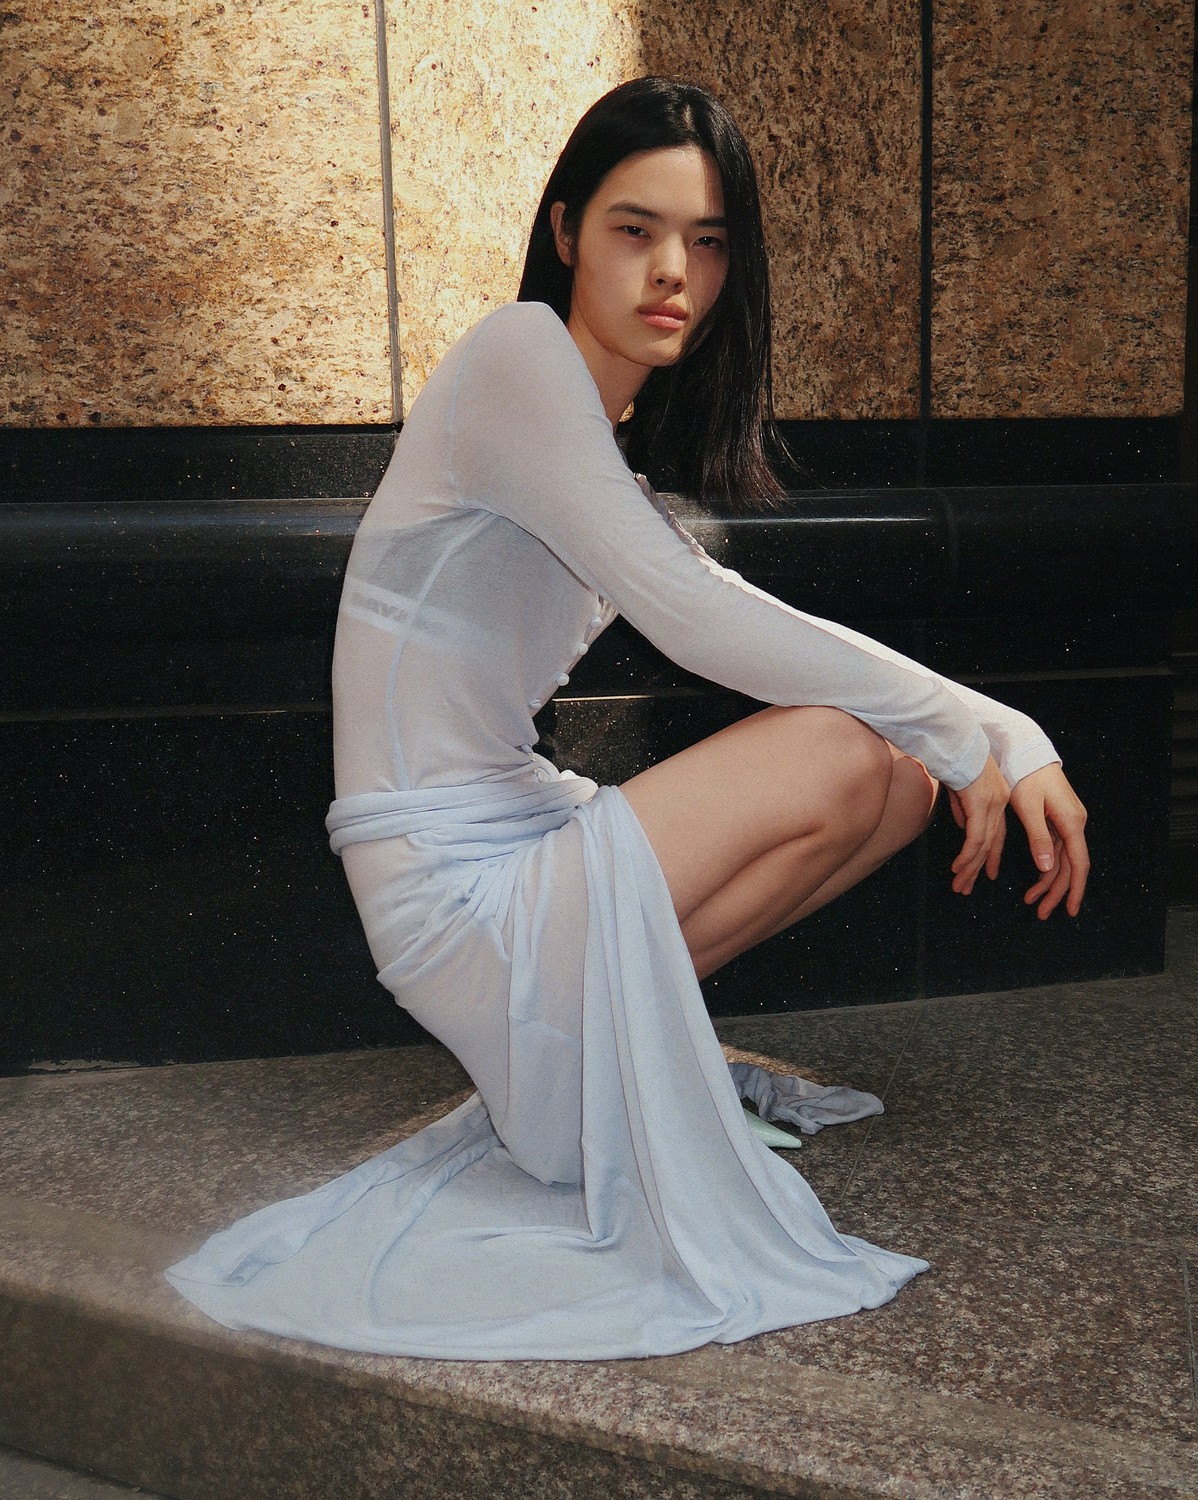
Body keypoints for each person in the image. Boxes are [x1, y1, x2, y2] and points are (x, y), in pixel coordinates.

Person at [166, 78, 1088, 1359]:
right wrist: (994, 729)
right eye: (634, 229)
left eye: (707, 243)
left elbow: (718, 600)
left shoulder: (603, 450)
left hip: (514, 832)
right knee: (846, 747)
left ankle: (597, 1070)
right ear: (563, 232)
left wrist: (963, 739)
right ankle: (582, 1078)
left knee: (895, 783)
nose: (673, 273)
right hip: (445, 873)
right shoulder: (514, 358)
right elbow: (698, 617)